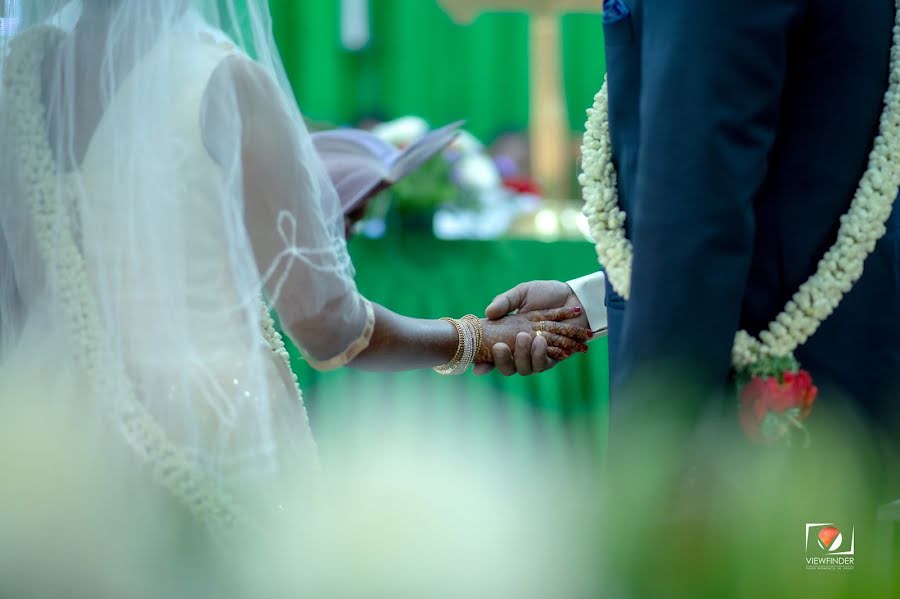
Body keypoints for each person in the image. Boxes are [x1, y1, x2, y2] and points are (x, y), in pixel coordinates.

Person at [0, 0, 591, 530]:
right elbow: (333, 328)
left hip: (46, 428)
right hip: (205, 425)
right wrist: (477, 337)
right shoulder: (218, 77)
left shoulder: (22, 74)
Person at [487, 1, 900, 588]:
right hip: (846, 404)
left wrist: (661, 463)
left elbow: (699, 205)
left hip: (751, 447)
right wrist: (595, 300)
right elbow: (803, 163)